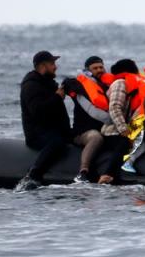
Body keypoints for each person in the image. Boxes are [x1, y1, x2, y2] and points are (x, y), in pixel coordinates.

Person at [16, 51, 70, 190]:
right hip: (37, 134)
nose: (55, 67)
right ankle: (33, 174)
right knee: (57, 142)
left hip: (53, 130)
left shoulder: (47, 83)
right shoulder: (31, 85)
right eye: (52, 64)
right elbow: (38, 112)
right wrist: (57, 97)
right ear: (42, 66)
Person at [63, 56, 112, 183]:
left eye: (101, 67)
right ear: (88, 71)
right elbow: (93, 111)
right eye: (95, 68)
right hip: (83, 132)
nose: (99, 70)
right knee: (96, 137)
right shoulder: (78, 86)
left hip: (106, 128)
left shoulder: (109, 87)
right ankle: (83, 172)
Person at [96, 58, 136, 184]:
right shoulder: (120, 83)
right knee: (123, 143)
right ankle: (107, 174)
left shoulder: (131, 84)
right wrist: (123, 128)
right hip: (112, 131)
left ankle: (117, 177)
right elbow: (114, 107)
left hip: (126, 130)